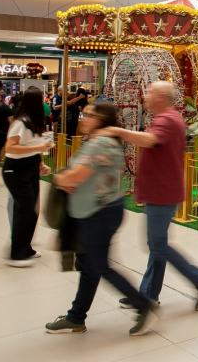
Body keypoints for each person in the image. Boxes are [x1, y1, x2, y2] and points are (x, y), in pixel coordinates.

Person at [46, 102, 157, 336]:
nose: (83, 118)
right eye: (83, 114)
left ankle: (143, 305)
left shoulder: (102, 143)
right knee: (89, 266)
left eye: (89, 115)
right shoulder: (95, 141)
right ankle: (76, 317)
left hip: (100, 213)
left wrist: (59, 179)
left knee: (99, 266)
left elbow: (76, 176)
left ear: (102, 119)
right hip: (92, 211)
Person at [99, 82, 198, 311]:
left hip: (162, 193)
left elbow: (150, 140)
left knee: (157, 245)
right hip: (161, 192)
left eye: (149, 93)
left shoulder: (167, 120)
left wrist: (118, 131)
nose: (145, 96)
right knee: (157, 245)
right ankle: (148, 295)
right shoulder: (168, 118)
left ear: (161, 96)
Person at [2, 87, 53, 266]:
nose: (45, 102)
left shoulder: (34, 123)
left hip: (30, 167)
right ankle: (16, 253)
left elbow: (33, 145)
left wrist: (40, 163)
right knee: (24, 209)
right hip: (15, 170)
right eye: (42, 99)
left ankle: (25, 248)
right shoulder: (21, 123)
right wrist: (37, 149)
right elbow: (10, 148)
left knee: (31, 210)